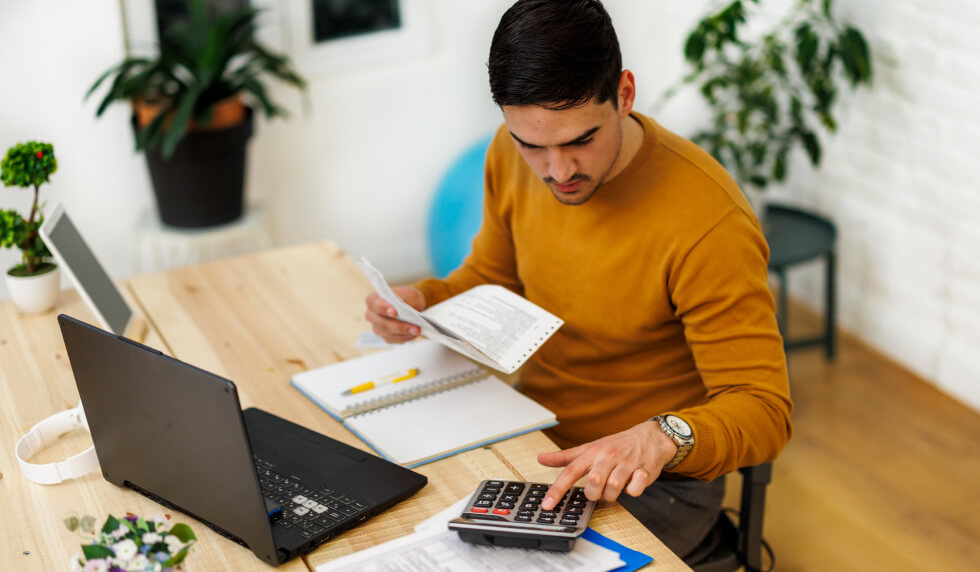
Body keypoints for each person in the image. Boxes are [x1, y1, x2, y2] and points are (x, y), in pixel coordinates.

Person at [365, 0, 792, 560]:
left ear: (625, 95)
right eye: (533, 144)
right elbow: (494, 278)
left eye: (580, 140)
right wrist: (423, 301)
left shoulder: (708, 222)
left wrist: (661, 436)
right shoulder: (508, 156)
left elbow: (763, 408)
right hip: (534, 439)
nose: (557, 171)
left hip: (656, 481)